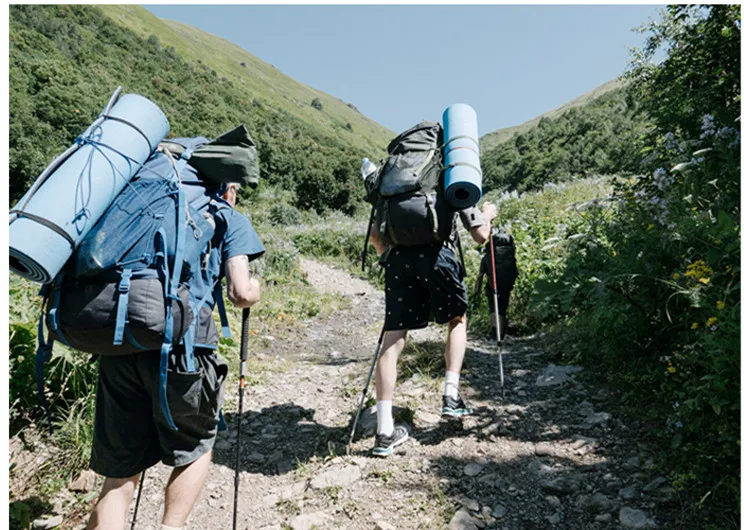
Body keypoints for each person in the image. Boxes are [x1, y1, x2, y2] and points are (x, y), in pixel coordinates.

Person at [86, 182, 264, 530]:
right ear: (228, 187)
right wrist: (254, 291)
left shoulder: (136, 205)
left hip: (120, 343)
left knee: (119, 475)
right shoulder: (226, 214)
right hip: (184, 350)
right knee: (195, 446)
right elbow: (240, 291)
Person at [368, 201, 498, 457]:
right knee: (457, 320)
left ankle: (384, 431)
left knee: (393, 337)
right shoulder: (448, 173)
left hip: (398, 260)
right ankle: (451, 395)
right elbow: (481, 235)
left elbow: (374, 235)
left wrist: (390, 252)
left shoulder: (391, 177)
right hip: (438, 256)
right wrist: (488, 215)